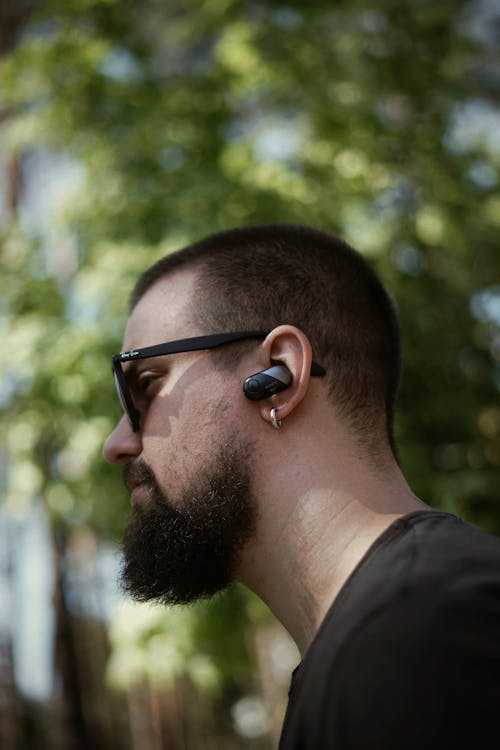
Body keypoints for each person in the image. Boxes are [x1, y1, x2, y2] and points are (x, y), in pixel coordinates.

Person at [103, 223, 500, 749]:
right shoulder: (383, 636)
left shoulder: (422, 631)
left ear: (279, 374)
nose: (115, 443)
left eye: (146, 384)